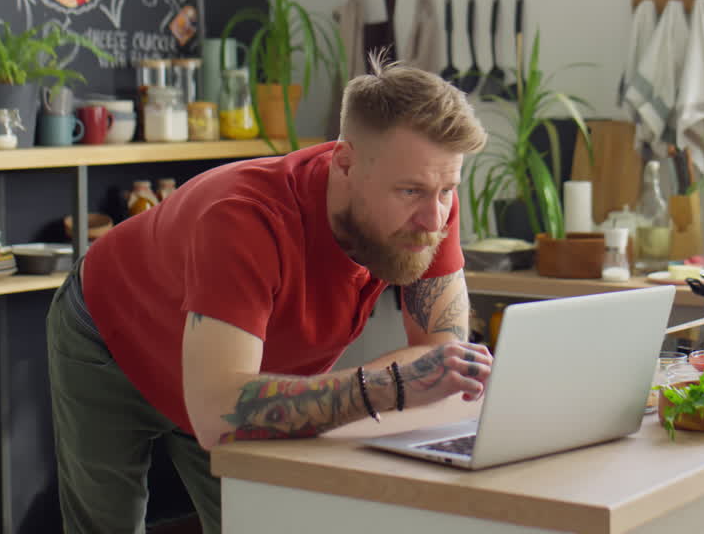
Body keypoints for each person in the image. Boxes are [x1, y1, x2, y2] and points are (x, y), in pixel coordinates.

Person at [46, 59, 494, 533]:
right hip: (111, 336)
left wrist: (419, 378)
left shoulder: (427, 202)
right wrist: (389, 384)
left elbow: (438, 356)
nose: (434, 217)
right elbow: (220, 413)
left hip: (230, 377)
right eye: (411, 191)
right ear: (346, 162)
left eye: (448, 189)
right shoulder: (245, 218)